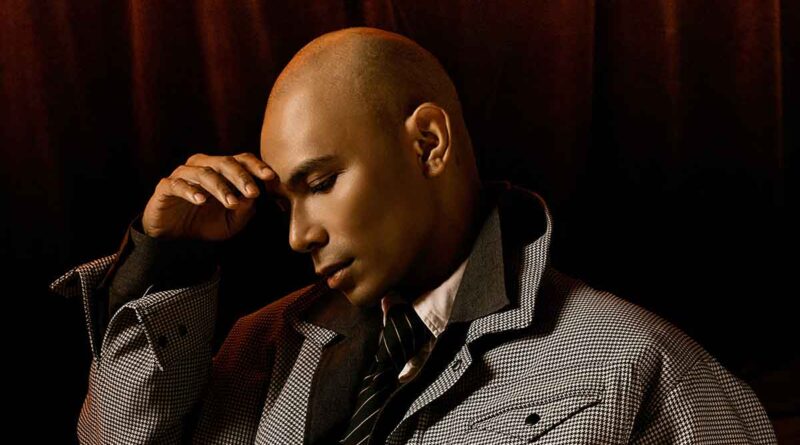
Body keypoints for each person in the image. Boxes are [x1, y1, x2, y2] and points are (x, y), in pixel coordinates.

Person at [49, 27, 777, 444]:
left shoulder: (639, 365)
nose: (298, 235)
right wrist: (167, 263)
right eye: (283, 204)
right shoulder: (258, 349)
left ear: (429, 143)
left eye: (321, 181)